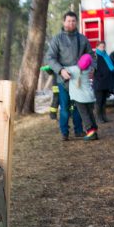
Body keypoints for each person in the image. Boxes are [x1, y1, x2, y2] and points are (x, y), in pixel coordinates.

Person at [45, 11, 91, 141]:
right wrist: (60, 70)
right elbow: (50, 58)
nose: (71, 23)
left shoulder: (82, 39)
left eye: (73, 21)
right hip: (62, 80)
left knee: (78, 106)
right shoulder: (57, 39)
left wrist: (92, 68)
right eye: (68, 21)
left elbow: (91, 56)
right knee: (64, 107)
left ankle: (79, 130)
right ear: (64, 22)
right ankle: (64, 132)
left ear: (76, 22)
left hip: (78, 80)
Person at [64, 53, 99, 141]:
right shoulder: (90, 69)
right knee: (90, 114)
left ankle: (90, 132)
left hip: (79, 98)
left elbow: (63, 69)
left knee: (84, 115)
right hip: (89, 97)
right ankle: (94, 131)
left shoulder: (74, 69)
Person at [92, 41, 114, 123]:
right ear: (97, 47)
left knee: (104, 101)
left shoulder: (106, 55)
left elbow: (110, 68)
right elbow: (94, 69)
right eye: (101, 46)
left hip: (106, 82)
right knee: (99, 101)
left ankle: (104, 117)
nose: (102, 48)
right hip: (99, 82)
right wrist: (101, 76)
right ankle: (98, 118)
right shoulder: (95, 56)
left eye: (103, 46)